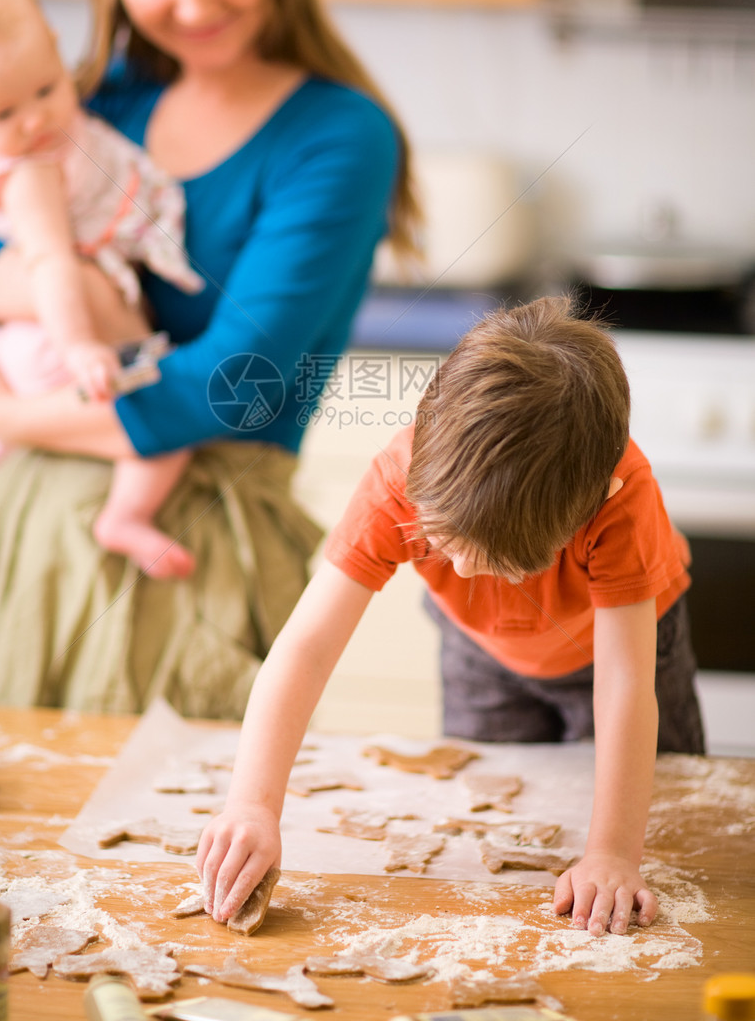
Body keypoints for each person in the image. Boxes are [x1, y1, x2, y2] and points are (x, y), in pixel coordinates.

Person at [0, 0, 420, 716]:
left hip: (192, 554)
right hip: (19, 535)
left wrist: (5, 411)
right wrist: (48, 282)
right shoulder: (98, 103)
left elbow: (240, 384)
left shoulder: (338, 137)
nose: (194, 4)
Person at [196, 296, 705, 938]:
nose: (460, 575)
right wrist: (252, 804)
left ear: (591, 505)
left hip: (625, 658)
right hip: (478, 654)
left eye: (500, 563)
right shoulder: (399, 478)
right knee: (499, 810)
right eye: (442, 543)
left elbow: (626, 688)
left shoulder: (623, 498)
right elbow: (305, 648)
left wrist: (611, 854)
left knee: (681, 827)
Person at [0, 0, 205, 592]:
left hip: (8, 342)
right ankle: (125, 516)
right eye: (5, 111)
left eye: (46, 89)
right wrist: (83, 347)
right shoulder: (30, 173)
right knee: (165, 434)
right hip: (62, 339)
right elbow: (51, 264)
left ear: (54, 45)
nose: (36, 121)